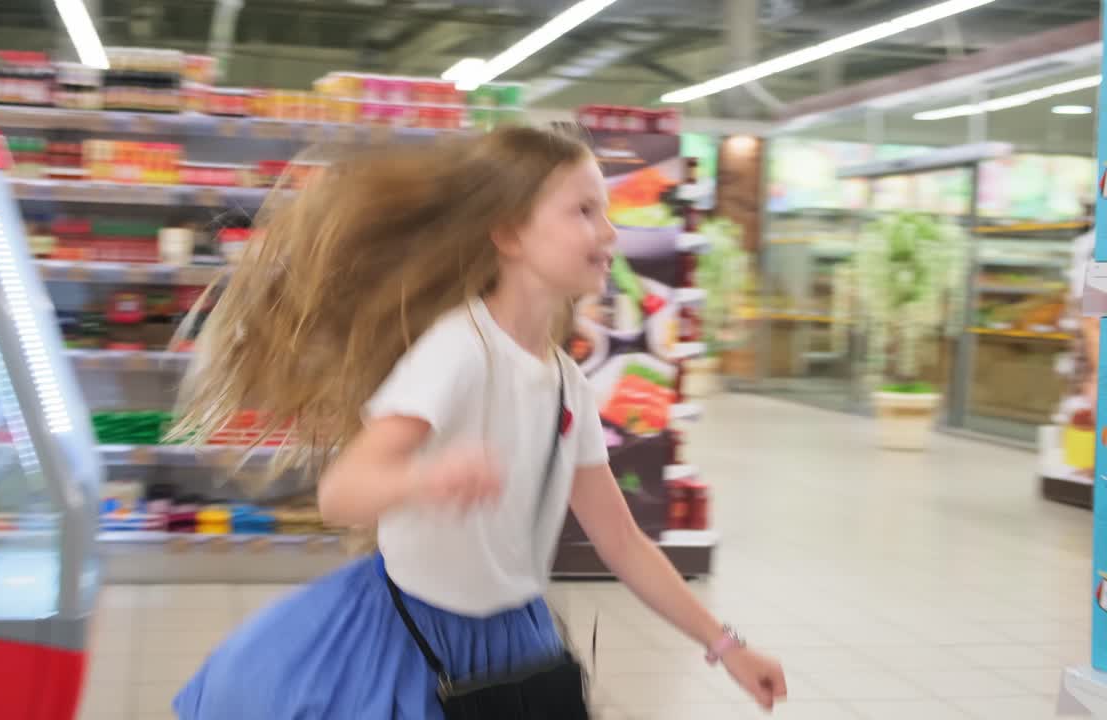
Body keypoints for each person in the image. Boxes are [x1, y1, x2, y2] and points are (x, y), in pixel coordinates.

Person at [170, 126, 787, 718]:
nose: (609, 232)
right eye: (583, 211)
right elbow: (343, 493)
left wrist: (726, 646)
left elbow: (622, 542)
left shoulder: (566, 381)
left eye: (606, 211)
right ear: (510, 234)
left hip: (516, 642)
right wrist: (424, 479)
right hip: (410, 642)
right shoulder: (460, 349)